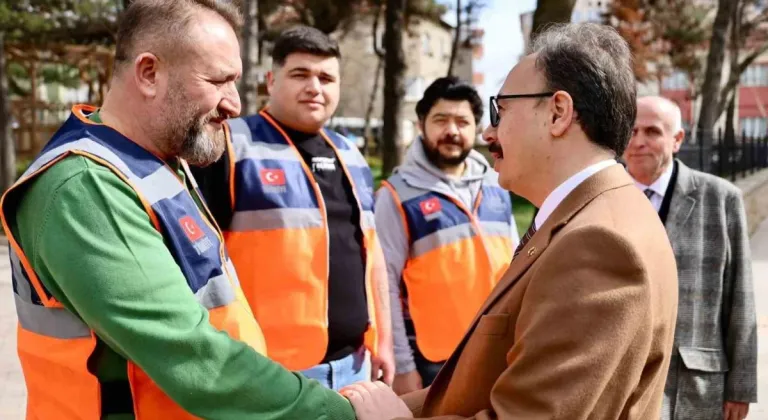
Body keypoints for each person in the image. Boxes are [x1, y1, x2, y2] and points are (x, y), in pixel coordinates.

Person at [0, 1, 358, 418]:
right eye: (218, 81)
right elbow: (197, 360)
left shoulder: (158, 163)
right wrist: (342, 413)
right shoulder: (85, 185)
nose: (234, 104)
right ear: (149, 73)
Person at [342, 22, 679, 420]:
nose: (488, 132)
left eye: (500, 110)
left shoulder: (597, 243)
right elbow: (495, 383)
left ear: (558, 113)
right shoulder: (587, 217)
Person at [191, 25, 394, 391]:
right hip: (269, 371)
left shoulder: (351, 155)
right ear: (271, 80)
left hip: (356, 366)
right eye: (300, 74)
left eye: (326, 78)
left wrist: (384, 342)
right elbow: (196, 265)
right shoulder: (230, 146)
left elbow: (373, 256)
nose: (315, 87)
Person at [375, 76, 518, 394]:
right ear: (421, 124)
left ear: (476, 129)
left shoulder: (497, 186)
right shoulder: (396, 196)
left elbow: (517, 270)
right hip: (433, 363)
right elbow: (383, 285)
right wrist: (403, 366)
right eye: (441, 120)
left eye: (462, 121)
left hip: (499, 352)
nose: (452, 130)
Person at [623, 96, 757, 420]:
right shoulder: (600, 199)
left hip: (693, 387)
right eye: (632, 130)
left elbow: (740, 297)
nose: (639, 141)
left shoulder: (721, 199)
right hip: (622, 383)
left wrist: (740, 388)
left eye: (652, 131)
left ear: (677, 139)